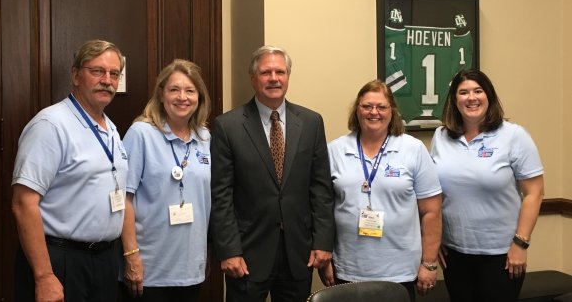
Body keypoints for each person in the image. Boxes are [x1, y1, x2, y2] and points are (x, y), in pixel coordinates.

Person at [210, 45, 335, 302]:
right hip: (246, 254)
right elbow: (221, 194)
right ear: (253, 78)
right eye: (266, 72)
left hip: (298, 253)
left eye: (280, 71)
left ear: (288, 76)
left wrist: (323, 241)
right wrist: (228, 250)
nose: (274, 78)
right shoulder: (228, 126)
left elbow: (320, 188)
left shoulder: (311, 122)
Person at [11, 39, 127, 301]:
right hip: (61, 261)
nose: (107, 80)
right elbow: (23, 203)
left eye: (114, 74)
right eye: (97, 71)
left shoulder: (110, 128)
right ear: (76, 75)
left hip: (104, 259)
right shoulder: (50, 125)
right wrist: (44, 276)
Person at [321, 79, 442, 302]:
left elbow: (431, 211)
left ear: (392, 111)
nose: (373, 112)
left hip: (399, 270)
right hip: (348, 268)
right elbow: (322, 210)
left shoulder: (412, 149)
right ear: (356, 110)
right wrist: (325, 258)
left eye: (381, 107)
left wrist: (429, 263)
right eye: (366, 106)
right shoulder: (335, 150)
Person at [430, 69, 545, 302]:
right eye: (463, 92)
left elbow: (535, 193)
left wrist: (520, 244)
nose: (471, 98)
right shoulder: (441, 136)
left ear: (489, 96)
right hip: (455, 253)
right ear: (454, 100)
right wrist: (436, 238)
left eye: (478, 91)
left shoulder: (514, 136)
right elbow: (434, 192)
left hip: (502, 255)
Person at [119, 59, 212, 302]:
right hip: (149, 270)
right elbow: (124, 199)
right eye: (174, 89)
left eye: (190, 90)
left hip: (192, 268)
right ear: (161, 95)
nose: (182, 97)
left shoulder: (205, 137)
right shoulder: (141, 133)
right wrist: (131, 256)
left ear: (199, 97)